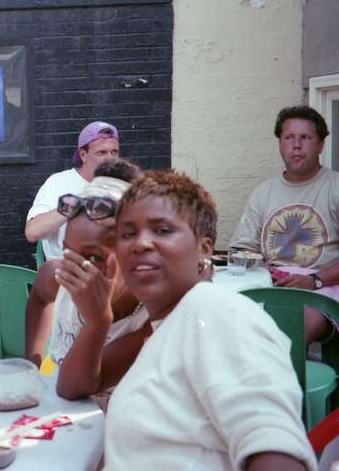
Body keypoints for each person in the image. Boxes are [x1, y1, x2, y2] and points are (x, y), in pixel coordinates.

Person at [105, 170, 316, 471]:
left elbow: (274, 451)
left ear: (205, 249)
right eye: (127, 233)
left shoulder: (213, 309)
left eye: (162, 230)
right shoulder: (165, 326)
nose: (141, 244)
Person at [23, 158, 148, 402]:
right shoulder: (62, 277)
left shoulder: (149, 320)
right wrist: (34, 362)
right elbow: (39, 293)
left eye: (94, 256)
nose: (77, 267)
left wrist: (98, 321)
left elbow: (74, 388)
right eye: (69, 252)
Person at [231, 105, 339, 341]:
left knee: (289, 332)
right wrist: (259, 268)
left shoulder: (335, 187)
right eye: (289, 137)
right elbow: (242, 249)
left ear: (320, 145)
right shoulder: (263, 193)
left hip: (322, 287)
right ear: (280, 144)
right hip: (269, 283)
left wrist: (315, 280)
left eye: (306, 137)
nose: (296, 145)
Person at [25, 121, 120, 260]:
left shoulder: (123, 184)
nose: (110, 159)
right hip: (67, 273)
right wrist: (76, 204)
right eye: (102, 153)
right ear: (83, 155)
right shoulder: (59, 182)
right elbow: (32, 232)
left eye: (114, 152)